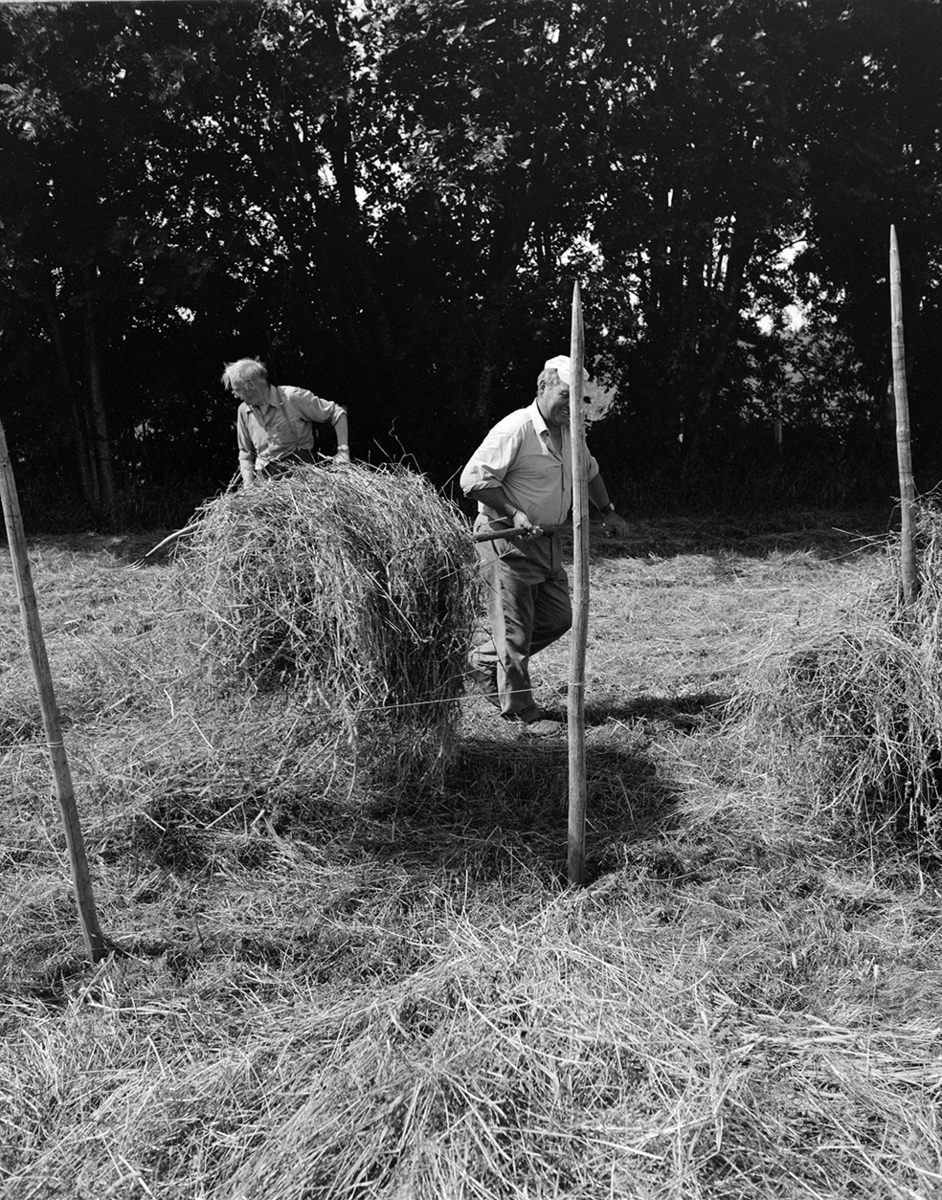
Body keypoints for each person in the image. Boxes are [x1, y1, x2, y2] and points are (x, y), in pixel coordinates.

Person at [460, 354, 629, 737]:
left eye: (577, 398)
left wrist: (608, 511)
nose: (572, 405)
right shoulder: (516, 428)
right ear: (542, 387)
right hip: (506, 541)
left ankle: (483, 661)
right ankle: (523, 714)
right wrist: (515, 514)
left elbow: (590, 472)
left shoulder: (572, 434)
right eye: (565, 395)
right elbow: (473, 480)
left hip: (547, 542)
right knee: (515, 632)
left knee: (558, 618)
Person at [222, 357, 351, 487]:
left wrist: (343, 451)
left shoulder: (291, 397)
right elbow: (246, 454)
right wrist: (248, 486)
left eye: (237, 390)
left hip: (303, 481)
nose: (235, 395)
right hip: (267, 486)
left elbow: (337, 413)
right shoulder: (243, 411)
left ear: (250, 385)